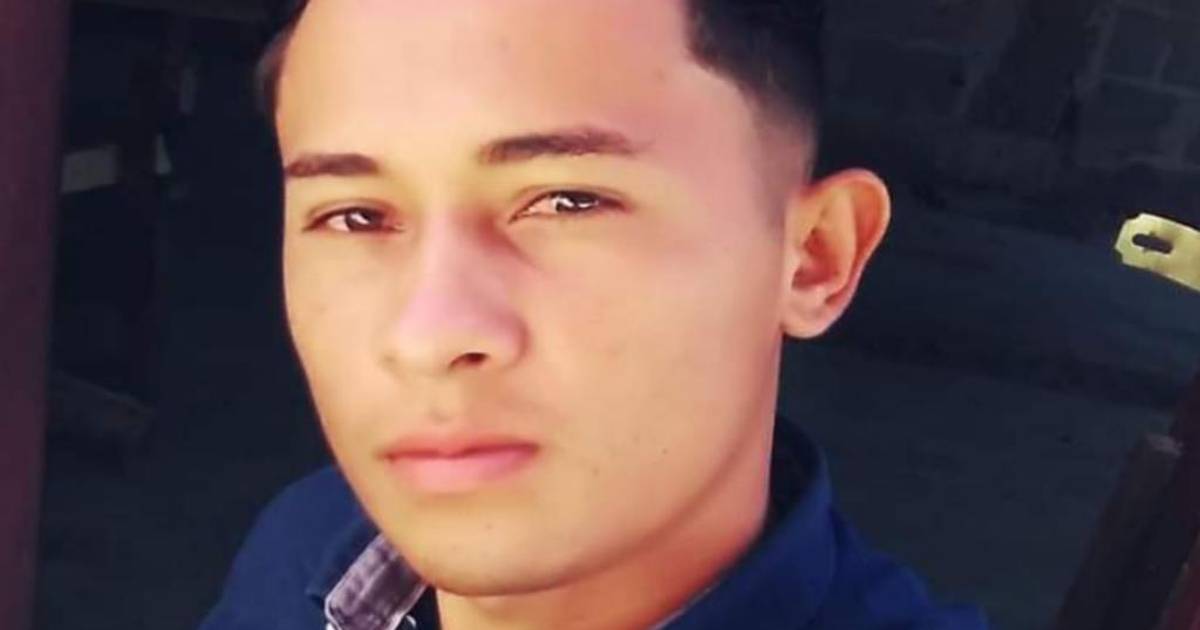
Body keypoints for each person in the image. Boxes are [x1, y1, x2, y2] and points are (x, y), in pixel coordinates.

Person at [199, 0, 989, 628]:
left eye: (568, 202)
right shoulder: (308, 545)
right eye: (355, 216)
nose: (428, 334)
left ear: (814, 257)